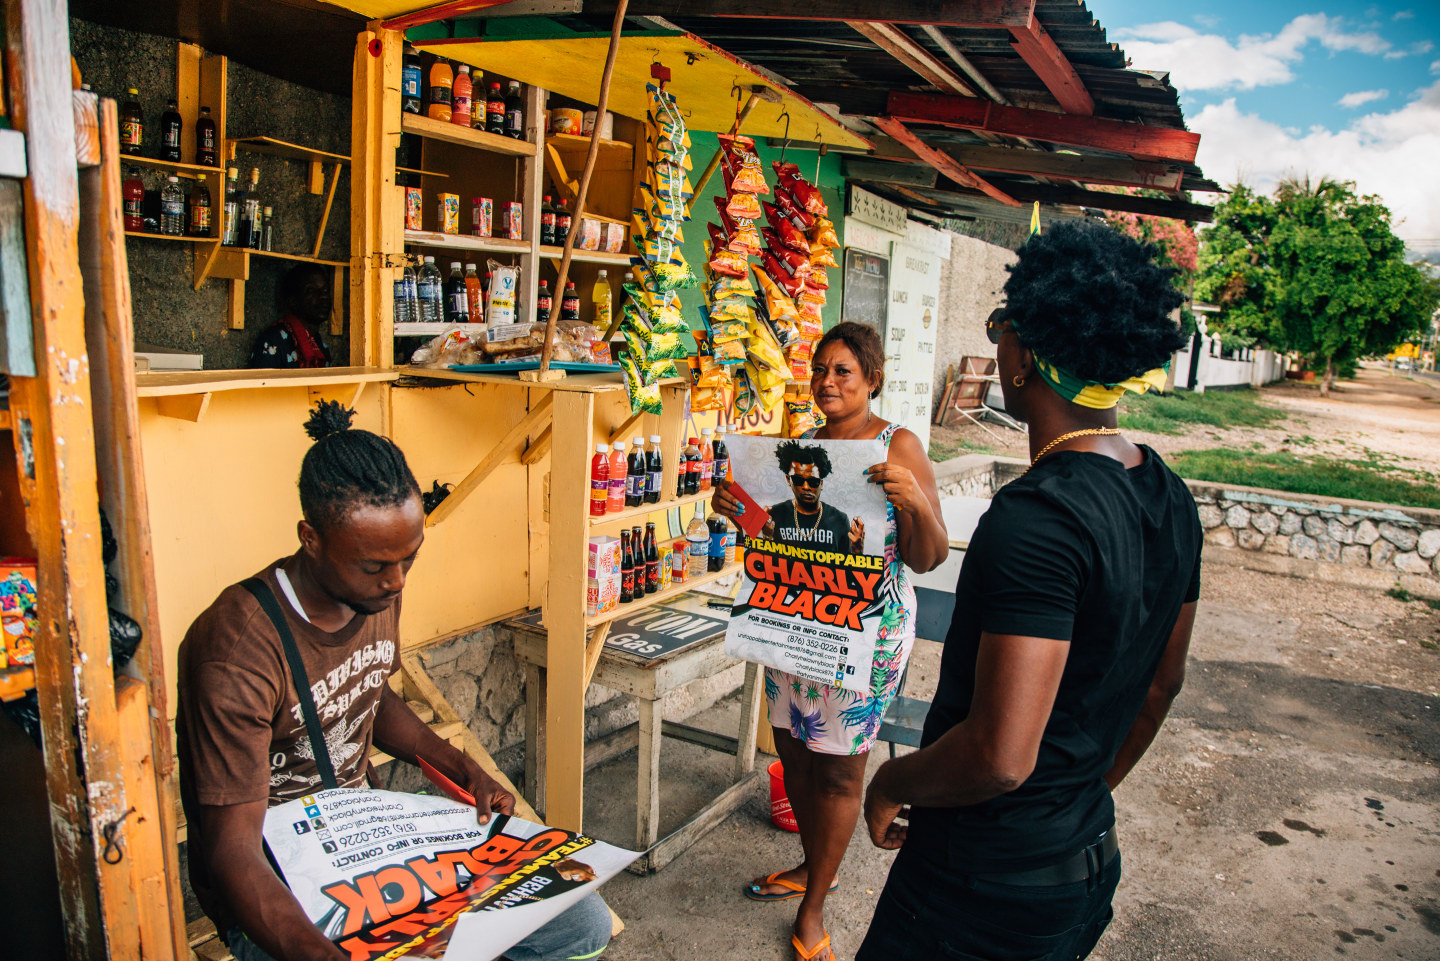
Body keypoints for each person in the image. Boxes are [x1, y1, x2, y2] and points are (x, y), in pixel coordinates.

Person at [856, 220, 1203, 961]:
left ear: (1024, 358)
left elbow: (1000, 755)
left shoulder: (1038, 518)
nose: (997, 345)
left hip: (981, 889)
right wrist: (1073, 803)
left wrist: (891, 779)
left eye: (999, 328)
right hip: (1081, 867)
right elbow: (1160, 689)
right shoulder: (1169, 494)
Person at [176, 401, 612, 961]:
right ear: (311, 538)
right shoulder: (236, 652)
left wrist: (465, 770)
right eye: (376, 566)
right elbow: (231, 853)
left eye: (410, 557)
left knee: (578, 922)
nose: (396, 581)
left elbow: (367, 694)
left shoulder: (375, 587)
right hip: (278, 880)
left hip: (372, 841)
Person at [711, 322, 949, 961]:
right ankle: (817, 865)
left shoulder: (899, 446)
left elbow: (928, 557)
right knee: (796, 761)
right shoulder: (804, 449)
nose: (826, 382)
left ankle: (813, 908)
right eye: (819, 370)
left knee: (841, 776)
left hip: (862, 640)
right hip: (794, 626)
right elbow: (782, 544)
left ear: (873, 378)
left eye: (842, 371)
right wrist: (743, 514)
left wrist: (915, 505)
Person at [762, 440, 864, 553]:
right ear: (788, 479)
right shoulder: (775, 515)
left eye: (813, 481)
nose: (806, 487)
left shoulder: (839, 519)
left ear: (821, 483)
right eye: (798, 480)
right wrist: (767, 538)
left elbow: (847, 569)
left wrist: (857, 551)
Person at [248, 263, 333, 369]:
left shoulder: (319, 345)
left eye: (325, 290)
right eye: (311, 290)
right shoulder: (274, 342)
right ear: (293, 301)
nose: (323, 296)